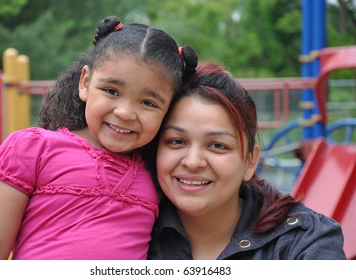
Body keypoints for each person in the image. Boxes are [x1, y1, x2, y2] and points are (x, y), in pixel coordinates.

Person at [0, 15, 197, 260]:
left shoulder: (160, 172)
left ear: (169, 109)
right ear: (85, 82)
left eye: (148, 102)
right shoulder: (33, 149)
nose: (125, 112)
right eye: (111, 91)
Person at [147, 61, 346, 260]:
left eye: (217, 145)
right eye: (176, 141)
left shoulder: (304, 242)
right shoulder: (129, 226)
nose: (192, 161)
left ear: (250, 162)